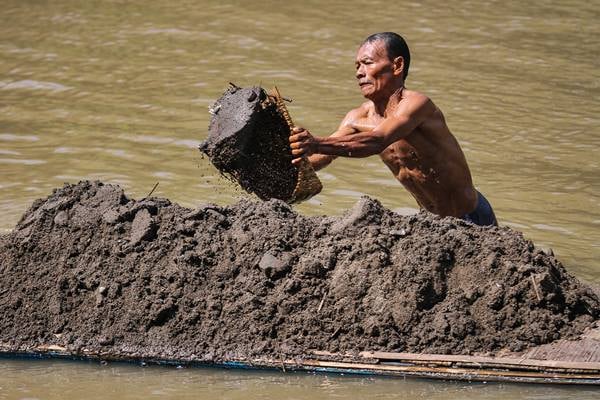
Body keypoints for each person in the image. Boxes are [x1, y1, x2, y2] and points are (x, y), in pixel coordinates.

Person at [289, 32, 497, 226]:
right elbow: (323, 156)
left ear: (397, 65)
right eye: (357, 66)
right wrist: (289, 161)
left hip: (471, 217)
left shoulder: (417, 105)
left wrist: (315, 143)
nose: (360, 73)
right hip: (431, 222)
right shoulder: (357, 118)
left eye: (367, 63)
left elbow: (377, 140)